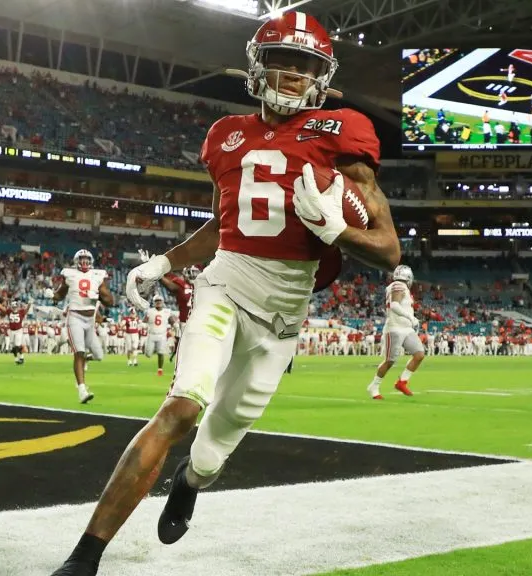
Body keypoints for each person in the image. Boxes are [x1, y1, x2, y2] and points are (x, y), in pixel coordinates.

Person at [49, 11, 400, 575]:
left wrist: (336, 231)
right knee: (181, 406)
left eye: (302, 64)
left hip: (284, 315)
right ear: (256, 68)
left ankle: (188, 482)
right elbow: (223, 223)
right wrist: (164, 261)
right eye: (280, 60)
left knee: (211, 455)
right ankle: (85, 556)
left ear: (322, 74)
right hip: (226, 283)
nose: (289, 74)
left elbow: (388, 249)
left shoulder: (343, 133)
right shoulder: (225, 136)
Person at [52, 249, 114, 403]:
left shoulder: (97, 276)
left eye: (87, 259)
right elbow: (59, 295)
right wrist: (51, 296)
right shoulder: (70, 275)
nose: (85, 262)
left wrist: (98, 295)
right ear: (76, 261)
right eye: (82, 259)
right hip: (75, 317)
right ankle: (82, 390)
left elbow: (110, 301)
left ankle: (83, 378)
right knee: (79, 352)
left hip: (90, 321)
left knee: (96, 354)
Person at [368, 265, 423, 399]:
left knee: (419, 354)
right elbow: (394, 305)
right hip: (395, 328)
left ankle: (402, 382)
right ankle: (374, 386)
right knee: (390, 361)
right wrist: (411, 317)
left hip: (406, 328)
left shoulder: (401, 287)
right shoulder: (397, 285)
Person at [144, 294, 173, 376]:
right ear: (154, 302)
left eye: (159, 301)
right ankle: (150, 351)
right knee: (148, 354)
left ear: (162, 302)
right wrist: (143, 323)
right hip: (151, 334)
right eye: (157, 301)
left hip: (162, 335)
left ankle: (160, 369)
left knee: (161, 352)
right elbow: (144, 320)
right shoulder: (150, 311)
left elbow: (171, 319)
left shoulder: (167, 311)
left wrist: (175, 324)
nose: (158, 302)